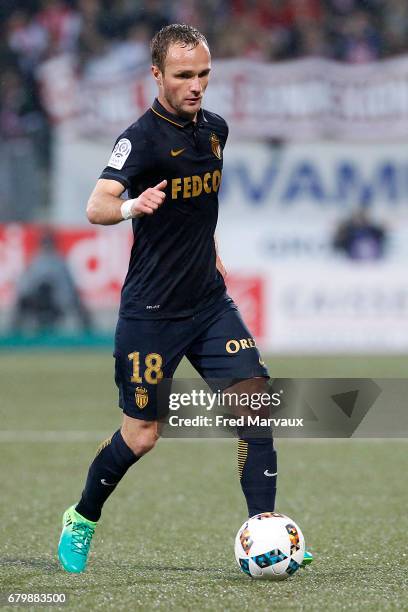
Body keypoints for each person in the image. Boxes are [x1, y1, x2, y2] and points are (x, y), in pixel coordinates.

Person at [57, 23, 313, 573]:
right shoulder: (140, 138)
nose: (196, 85)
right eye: (183, 76)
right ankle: (81, 518)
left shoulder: (215, 130)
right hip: (152, 313)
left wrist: (212, 253)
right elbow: (95, 206)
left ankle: (264, 531)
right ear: (156, 75)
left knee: (255, 402)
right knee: (142, 436)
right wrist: (132, 206)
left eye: (203, 74)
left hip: (208, 302)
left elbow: (198, 212)